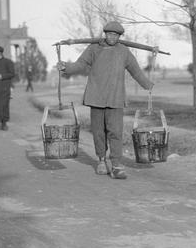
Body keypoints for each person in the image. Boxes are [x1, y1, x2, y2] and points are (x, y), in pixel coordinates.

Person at [56, 21, 154, 180]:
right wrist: (66, 67)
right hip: (96, 97)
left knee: (116, 132)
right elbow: (80, 64)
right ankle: (101, 160)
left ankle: (116, 165)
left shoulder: (124, 52)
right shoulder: (94, 48)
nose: (112, 37)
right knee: (98, 132)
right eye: (109, 34)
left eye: (115, 35)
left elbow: (135, 70)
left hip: (115, 98)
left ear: (119, 36)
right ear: (105, 34)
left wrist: (147, 84)